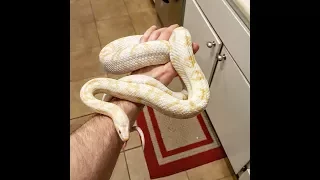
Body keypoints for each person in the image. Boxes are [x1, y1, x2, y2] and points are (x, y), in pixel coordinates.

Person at [70, 24, 200, 180]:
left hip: (171, 48)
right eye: (119, 131)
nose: (123, 137)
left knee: (177, 34)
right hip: (167, 50)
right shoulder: (87, 91)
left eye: (120, 131)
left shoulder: (90, 90)